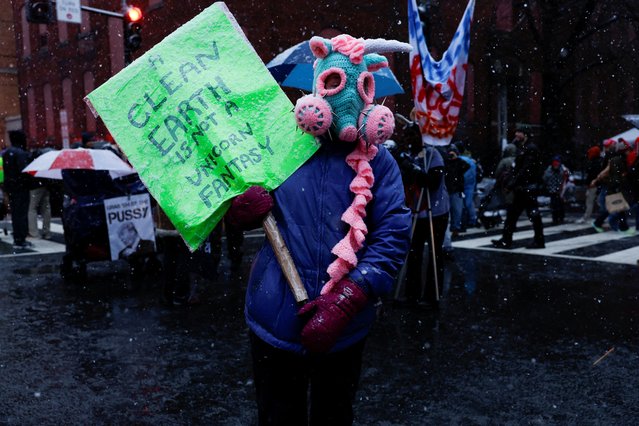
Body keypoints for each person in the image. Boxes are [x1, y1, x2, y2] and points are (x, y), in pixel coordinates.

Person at [227, 34, 412, 425]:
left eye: (357, 86)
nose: (342, 98)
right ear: (314, 90)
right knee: (278, 417)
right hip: (273, 321)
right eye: (332, 83)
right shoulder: (279, 148)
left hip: (346, 329)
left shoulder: (380, 165)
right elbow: (234, 209)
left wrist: (347, 300)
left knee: (333, 415)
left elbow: (392, 236)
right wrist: (239, 212)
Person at [405, 143, 449, 308]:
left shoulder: (433, 154)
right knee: (414, 252)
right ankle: (411, 294)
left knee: (434, 252)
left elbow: (433, 183)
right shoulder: (411, 154)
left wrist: (416, 171)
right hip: (417, 211)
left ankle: (432, 295)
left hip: (435, 212)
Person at [492, 129, 546, 249]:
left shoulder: (529, 149)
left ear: (525, 135)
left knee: (529, 214)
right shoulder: (524, 148)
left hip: (527, 188)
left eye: (519, 133)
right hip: (524, 188)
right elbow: (519, 169)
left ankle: (537, 240)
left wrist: (511, 184)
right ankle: (508, 239)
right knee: (518, 214)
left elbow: (525, 170)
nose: (516, 135)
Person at [591, 141, 633, 234]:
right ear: (624, 151)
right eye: (628, 150)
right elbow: (614, 175)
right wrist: (618, 184)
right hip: (614, 188)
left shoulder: (619, 159)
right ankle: (623, 228)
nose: (629, 152)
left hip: (614, 188)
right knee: (618, 209)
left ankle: (598, 223)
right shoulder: (618, 160)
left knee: (614, 209)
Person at [3, 130, 34, 249]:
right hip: (20, 187)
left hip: (11, 186)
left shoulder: (7, 153)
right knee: (21, 213)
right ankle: (20, 239)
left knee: (16, 213)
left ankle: (18, 237)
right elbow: (25, 171)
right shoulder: (21, 153)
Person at [444, 144, 469, 237]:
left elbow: (466, 166)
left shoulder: (459, 163)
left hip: (456, 190)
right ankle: (448, 228)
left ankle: (455, 228)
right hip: (447, 190)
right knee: (446, 211)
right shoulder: (446, 162)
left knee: (457, 211)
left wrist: (457, 159)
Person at [576, 145, 604, 224]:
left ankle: (587, 217)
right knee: (600, 202)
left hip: (593, 185)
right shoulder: (600, 161)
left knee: (590, 202)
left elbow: (591, 174)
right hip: (598, 184)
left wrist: (589, 183)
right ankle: (602, 217)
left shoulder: (593, 163)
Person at [542, 155, 570, 225]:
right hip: (553, 190)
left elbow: (566, 178)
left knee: (559, 205)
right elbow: (545, 178)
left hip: (560, 190)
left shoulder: (563, 170)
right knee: (555, 205)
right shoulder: (550, 170)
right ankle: (556, 218)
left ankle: (560, 218)